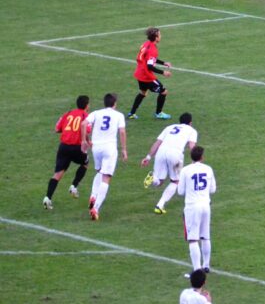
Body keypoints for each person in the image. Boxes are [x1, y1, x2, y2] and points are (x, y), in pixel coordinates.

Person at [141, 112, 198, 215]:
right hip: (175, 154)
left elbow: (157, 143)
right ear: (190, 123)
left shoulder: (169, 127)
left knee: (160, 181)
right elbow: (192, 146)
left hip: (161, 152)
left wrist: (148, 157)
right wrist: (196, 161)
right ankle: (160, 205)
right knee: (175, 181)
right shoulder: (191, 130)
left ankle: (153, 178)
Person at [81, 93, 127, 221]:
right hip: (110, 148)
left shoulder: (96, 113)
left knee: (100, 172)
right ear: (115, 103)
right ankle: (96, 208)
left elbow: (84, 124)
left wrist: (85, 140)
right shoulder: (119, 115)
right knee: (106, 177)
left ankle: (93, 195)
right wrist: (124, 149)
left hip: (96, 147)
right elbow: (122, 132)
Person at [43, 95, 91, 209]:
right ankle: (74, 186)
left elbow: (57, 129)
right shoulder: (85, 116)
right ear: (86, 105)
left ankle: (47, 198)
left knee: (58, 174)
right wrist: (88, 141)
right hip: (76, 147)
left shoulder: (68, 113)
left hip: (63, 147)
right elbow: (86, 129)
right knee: (86, 163)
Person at [178, 145, 217, 274]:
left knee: (193, 238)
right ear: (202, 157)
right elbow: (213, 189)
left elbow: (180, 191)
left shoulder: (185, 170)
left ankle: (197, 269)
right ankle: (206, 265)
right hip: (206, 205)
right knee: (205, 236)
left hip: (192, 206)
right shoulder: (208, 169)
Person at [127, 27, 172, 120]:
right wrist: (163, 72)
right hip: (147, 76)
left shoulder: (146, 44)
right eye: (159, 35)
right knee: (164, 92)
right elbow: (150, 66)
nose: (161, 36)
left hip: (139, 73)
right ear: (156, 37)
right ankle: (159, 113)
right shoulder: (153, 49)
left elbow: (149, 58)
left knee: (143, 93)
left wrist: (163, 63)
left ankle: (131, 113)